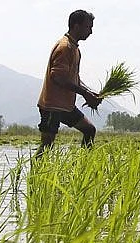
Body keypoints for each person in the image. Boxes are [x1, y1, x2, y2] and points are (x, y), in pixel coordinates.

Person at [35, 9, 102, 158]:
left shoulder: (75, 49)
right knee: (47, 146)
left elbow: (73, 78)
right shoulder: (65, 47)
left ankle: (84, 167)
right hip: (52, 106)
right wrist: (85, 93)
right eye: (88, 27)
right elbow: (58, 77)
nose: (90, 32)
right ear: (76, 26)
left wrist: (90, 92)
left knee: (89, 130)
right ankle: (35, 178)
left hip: (66, 106)